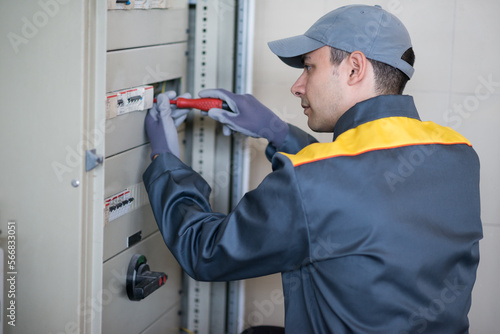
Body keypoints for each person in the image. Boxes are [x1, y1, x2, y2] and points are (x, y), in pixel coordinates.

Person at [143, 4, 482, 333]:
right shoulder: (458, 154)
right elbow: (358, 184)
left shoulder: (311, 181)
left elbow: (204, 251)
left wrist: (166, 164)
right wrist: (276, 131)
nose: (297, 86)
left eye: (309, 67)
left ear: (354, 68)